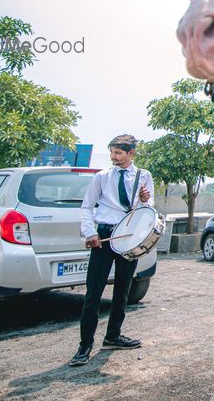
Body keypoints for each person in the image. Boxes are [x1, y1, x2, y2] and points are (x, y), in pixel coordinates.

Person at [69, 134, 154, 367]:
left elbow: (147, 211)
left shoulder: (143, 176)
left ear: (131, 153)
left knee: (123, 290)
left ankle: (113, 336)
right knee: (93, 292)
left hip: (129, 238)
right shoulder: (102, 177)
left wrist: (145, 200)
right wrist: (90, 233)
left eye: (118, 153)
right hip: (105, 236)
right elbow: (87, 206)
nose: (114, 157)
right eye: (112, 153)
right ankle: (84, 345)